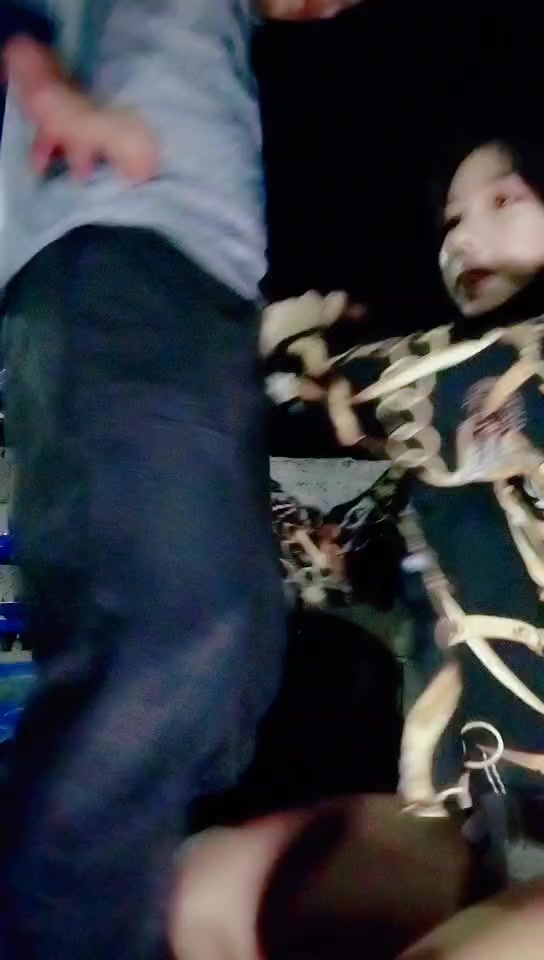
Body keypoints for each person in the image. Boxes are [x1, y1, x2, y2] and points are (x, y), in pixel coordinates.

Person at [0, 2, 362, 958]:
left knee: (235, 666)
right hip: (125, 245)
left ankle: (149, 914)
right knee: (179, 624)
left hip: (193, 291)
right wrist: (42, 82)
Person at [169, 131, 544, 959]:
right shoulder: (445, 426)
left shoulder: (483, 378)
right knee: (207, 890)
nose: (463, 238)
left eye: (503, 201)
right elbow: (412, 576)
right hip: (480, 810)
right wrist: (344, 567)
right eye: (451, 221)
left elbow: (435, 395)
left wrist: (298, 348)